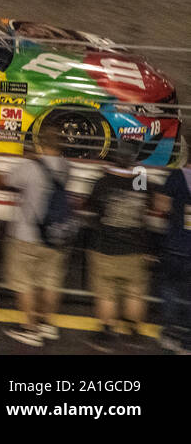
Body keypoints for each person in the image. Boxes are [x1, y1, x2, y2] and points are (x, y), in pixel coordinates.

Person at [81, 140, 154, 352]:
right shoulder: (141, 182)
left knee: (106, 294)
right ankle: (134, 333)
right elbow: (152, 206)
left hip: (105, 248)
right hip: (136, 248)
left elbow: (92, 208)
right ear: (134, 159)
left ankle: (107, 333)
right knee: (134, 294)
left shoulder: (103, 182)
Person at [2, 123, 70, 347]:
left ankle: (31, 328)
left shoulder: (30, 167)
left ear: (40, 143)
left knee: (25, 283)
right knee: (50, 282)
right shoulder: (66, 166)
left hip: (27, 235)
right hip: (55, 234)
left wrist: (30, 159)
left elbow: (7, 180)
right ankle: (46, 324)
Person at [153, 159, 191, 353]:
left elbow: (161, 206)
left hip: (175, 244)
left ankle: (170, 331)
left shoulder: (176, 176)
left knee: (169, 287)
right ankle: (187, 340)